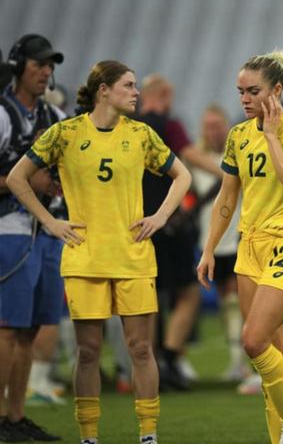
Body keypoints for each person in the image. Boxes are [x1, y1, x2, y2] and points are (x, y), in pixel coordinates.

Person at [7, 59, 192, 444]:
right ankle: (89, 437)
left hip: (133, 256)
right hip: (85, 258)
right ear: (103, 90)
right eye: (128, 85)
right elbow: (16, 177)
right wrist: (52, 221)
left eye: (137, 85)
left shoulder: (141, 135)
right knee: (88, 352)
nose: (136, 92)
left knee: (141, 348)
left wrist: (158, 217)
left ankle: (148, 435)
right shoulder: (65, 134)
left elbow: (183, 176)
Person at [197, 50, 283, 444]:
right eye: (240, 92)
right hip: (250, 247)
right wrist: (209, 248)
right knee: (270, 356)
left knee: (253, 340)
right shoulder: (236, 136)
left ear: (277, 89)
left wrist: (271, 134)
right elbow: (227, 198)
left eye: (254, 91)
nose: (245, 99)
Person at [0, 33, 66, 442]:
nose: (45, 72)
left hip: (47, 230)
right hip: (9, 229)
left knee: (29, 330)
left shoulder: (54, 117)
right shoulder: (3, 114)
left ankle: (16, 417)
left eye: (50, 66)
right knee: (7, 328)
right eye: (39, 64)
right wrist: (22, 181)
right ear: (18, 66)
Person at [137, 74, 220, 390]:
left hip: (139, 223)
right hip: (168, 223)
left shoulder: (129, 128)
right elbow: (191, 156)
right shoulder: (170, 125)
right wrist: (233, 173)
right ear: (166, 93)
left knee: (151, 296)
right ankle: (171, 357)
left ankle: (150, 361)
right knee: (187, 292)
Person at [191, 104, 246, 382]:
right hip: (209, 239)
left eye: (217, 125)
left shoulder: (236, 154)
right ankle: (236, 360)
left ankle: (245, 360)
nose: (213, 131)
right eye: (208, 126)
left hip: (236, 236)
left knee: (238, 298)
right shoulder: (195, 159)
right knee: (226, 302)